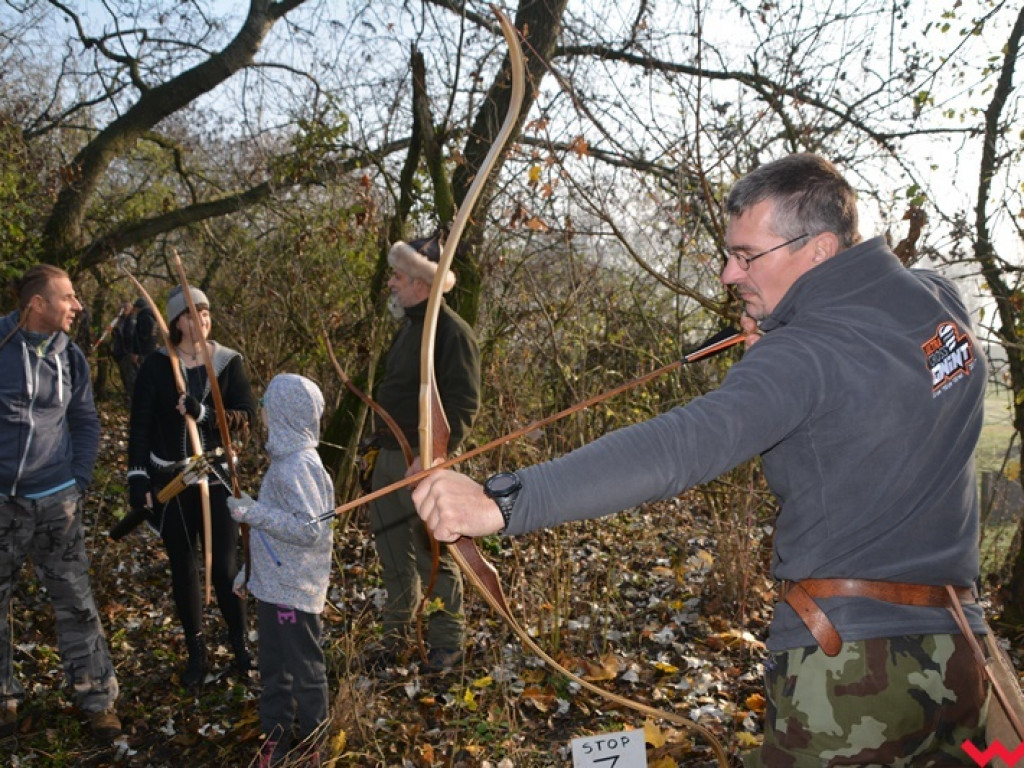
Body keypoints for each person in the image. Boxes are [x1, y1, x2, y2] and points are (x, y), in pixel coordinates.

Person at [411, 154, 990, 765]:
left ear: (819, 251)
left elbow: (678, 446)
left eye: (747, 256)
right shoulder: (940, 304)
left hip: (851, 670)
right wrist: (798, 316)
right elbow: (878, 356)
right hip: (961, 651)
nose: (726, 273)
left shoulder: (800, 359)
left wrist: (502, 501)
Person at [0, 265, 121, 742]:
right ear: (37, 304)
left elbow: (85, 420)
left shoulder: (71, 358)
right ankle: (3, 700)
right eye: (68, 297)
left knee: (76, 602)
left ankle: (98, 701)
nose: (77, 305)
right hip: (3, 503)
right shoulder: (3, 345)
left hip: (57, 502)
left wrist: (78, 482)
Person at [124, 285, 257, 686]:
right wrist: (137, 478)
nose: (200, 320)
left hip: (213, 474)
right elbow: (140, 426)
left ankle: (241, 648)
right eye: (190, 315)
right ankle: (196, 654)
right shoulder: (156, 366)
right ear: (175, 322)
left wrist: (206, 414)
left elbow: (245, 416)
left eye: (204, 313)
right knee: (183, 567)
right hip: (170, 480)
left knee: (225, 568)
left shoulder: (227, 362)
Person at [368, 233, 481, 672]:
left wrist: (431, 458)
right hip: (389, 461)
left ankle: (446, 643)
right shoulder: (409, 329)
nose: (392, 283)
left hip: (426, 466)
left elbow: (464, 406)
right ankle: (396, 638)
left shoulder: (453, 333)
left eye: (398, 275)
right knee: (393, 555)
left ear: (421, 281)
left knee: (437, 558)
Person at [228, 374, 335, 767]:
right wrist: (249, 574)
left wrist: (253, 512)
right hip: (273, 588)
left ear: (286, 414)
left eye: (268, 407)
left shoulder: (301, 466)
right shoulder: (285, 462)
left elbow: (309, 530)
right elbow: (273, 532)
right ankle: (275, 739)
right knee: (274, 669)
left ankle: (313, 743)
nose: (263, 414)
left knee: (304, 671)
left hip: (294, 591)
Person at [111, 300, 138, 401]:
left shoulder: (131, 320)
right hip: (120, 353)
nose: (123, 310)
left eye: (126, 308)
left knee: (130, 378)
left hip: (127, 353)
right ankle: (129, 397)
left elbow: (129, 337)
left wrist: (120, 333)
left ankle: (133, 399)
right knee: (125, 378)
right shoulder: (120, 320)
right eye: (122, 308)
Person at [131, 295, 157, 367]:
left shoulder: (144, 318)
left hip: (144, 352)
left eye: (136, 307)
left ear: (139, 307)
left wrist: (136, 352)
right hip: (150, 350)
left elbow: (142, 337)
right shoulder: (151, 317)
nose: (135, 309)